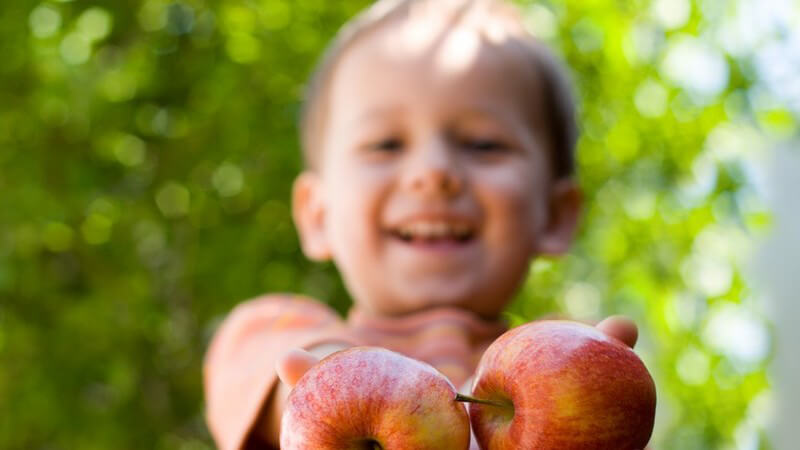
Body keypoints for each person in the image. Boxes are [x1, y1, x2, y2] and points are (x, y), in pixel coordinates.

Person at [204, 0, 640, 448]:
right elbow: (272, 372)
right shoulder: (274, 328)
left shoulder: (564, 348)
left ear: (556, 215)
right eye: (386, 145)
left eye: (483, 145)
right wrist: (330, 386)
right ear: (317, 214)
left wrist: (586, 375)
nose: (433, 173)